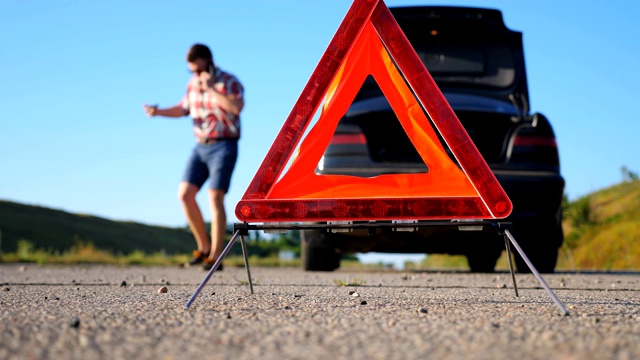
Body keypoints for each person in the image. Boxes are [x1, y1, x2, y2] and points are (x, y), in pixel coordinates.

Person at [143, 43, 244, 270]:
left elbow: (236, 107)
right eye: (192, 71)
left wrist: (210, 89)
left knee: (215, 197)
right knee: (185, 194)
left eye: (197, 69)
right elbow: (182, 109)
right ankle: (204, 248)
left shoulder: (229, 81)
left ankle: (216, 257)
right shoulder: (192, 85)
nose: (195, 74)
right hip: (200, 146)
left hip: (224, 144)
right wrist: (158, 112)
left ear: (208, 61)